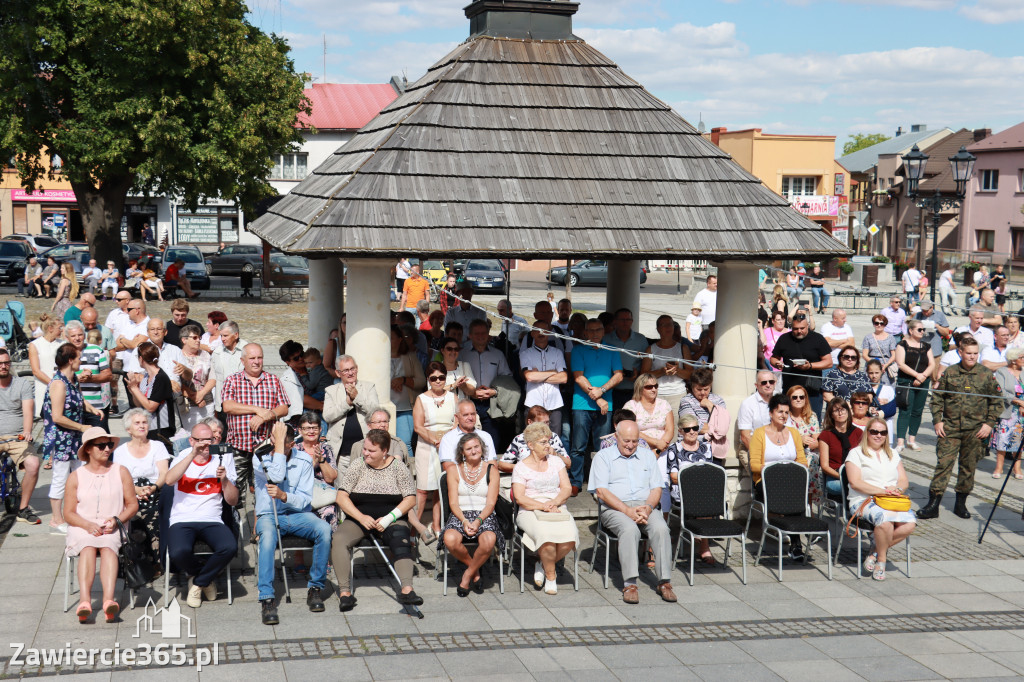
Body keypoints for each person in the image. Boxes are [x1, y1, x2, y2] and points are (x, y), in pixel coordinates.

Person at [332, 429, 422, 612]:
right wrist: (361, 517)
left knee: (400, 538)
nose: (365, 453)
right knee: (339, 539)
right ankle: (344, 592)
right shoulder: (358, 465)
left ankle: (407, 589)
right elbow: (341, 497)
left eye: (371, 451)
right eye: (365, 449)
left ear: (384, 451)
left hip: (391, 517)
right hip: (359, 518)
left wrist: (389, 518)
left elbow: (410, 499)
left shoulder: (398, 467)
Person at [253, 422, 331, 624]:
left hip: (297, 513)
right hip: (269, 514)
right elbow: (276, 475)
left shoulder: (304, 460)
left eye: (278, 440)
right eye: (272, 439)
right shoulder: (259, 455)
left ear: (290, 444)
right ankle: (267, 598)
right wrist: (277, 443)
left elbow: (305, 499)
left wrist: (285, 496)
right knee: (268, 538)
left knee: (324, 529)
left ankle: (315, 587)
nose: (272, 443)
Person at [589, 420, 674, 604]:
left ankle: (664, 582)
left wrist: (649, 508)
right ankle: (630, 583)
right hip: (615, 508)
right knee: (630, 530)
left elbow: (657, 488)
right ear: (616, 436)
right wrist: (627, 510)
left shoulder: (647, 456)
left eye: (635, 441)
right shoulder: (603, 457)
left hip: (645, 506)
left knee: (661, 528)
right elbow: (602, 492)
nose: (630, 445)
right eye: (626, 440)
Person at [918, 336, 1001, 520]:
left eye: (975, 354)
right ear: (961, 353)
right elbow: (937, 398)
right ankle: (933, 504)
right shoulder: (950, 372)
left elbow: (997, 401)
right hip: (950, 428)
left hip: (975, 430)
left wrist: (989, 424)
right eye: (968, 353)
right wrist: (937, 420)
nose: (972, 357)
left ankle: (960, 503)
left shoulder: (986, 374)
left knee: (968, 467)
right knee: (943, 464)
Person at [64, 426, 138, 622]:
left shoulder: (120, 471)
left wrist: (116, 520)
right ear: (88, 449)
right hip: (83, 525)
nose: (107, 449)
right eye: (101, 445)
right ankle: (85, 601)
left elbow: (132, 505)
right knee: (87, 546)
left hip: (112, 524)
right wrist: (87, 525)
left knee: (108, 546)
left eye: (109, 445)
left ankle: (108, 601)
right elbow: (68, 513)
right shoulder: (76, 476)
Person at [165, 422, 239, 607]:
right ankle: (205, 578)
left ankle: (198, 583)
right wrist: (192, 454)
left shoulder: (222, 457)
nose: (207, 446)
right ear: (191, 441)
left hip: (211, 518)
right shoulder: (183, 456)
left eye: (210, 441)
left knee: (229, 547)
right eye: (201, 442)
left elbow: (233, 500)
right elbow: (168, 480)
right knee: (178, 552)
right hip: (182, 518)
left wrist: (224, 481)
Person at [845, 417, 916, 581]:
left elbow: (904, 480)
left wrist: (896, 489)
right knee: (885, 522)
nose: (878, 435)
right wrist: (882, 491)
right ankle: (881, 562)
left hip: (890, 500)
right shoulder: (856, 453)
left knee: (910, 524)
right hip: (864, 500)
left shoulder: (892, 453)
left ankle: (875, 552)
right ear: (867, 433)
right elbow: (855, 483)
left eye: (883, 432)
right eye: (874, 432)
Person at [511, 422, 577, 595]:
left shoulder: (556, 462)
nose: (548, 445)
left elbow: (567, 488)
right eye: (543, 442)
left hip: (556, 505)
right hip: (530, 509)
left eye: (548, 441)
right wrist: (542, 506)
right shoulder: (520, 467)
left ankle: (542, 563)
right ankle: (551, 576)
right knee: (546, 537)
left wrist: (554, 503)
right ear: (531, 445)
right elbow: (519, 497)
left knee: (570, 537)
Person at [221, 343, 290, 503]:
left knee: (264, 493)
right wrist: (257, 409)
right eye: (252, 358)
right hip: (238, 446)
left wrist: (267, 415)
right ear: (243, 360)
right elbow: (227, 406)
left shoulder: (273, 380)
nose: (256, 361)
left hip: (265, 447)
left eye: (259, 357)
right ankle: (234, 526)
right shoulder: (232, 380)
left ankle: (258, 527)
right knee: (235, 491)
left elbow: (284, 407)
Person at [45, 343, 102, 533]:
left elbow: (78, 399)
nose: (80, 361)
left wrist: (91, 408)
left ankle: (79, 513)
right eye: (78, 358)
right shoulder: (58, 384)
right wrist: (82, 426)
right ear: (70, 360)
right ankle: (56, 518)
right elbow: (57, 416)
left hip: (74, 438)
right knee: (61, 478)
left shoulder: (72, 379)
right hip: (61, 438)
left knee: (80, 475)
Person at [442, 432, 503, 596]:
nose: (474, 451)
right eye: (469, 448)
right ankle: (475, 571)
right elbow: (453, 502)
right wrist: (463, 520)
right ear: (462, 452)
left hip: (484, 513)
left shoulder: (492, 470)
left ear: (482, 448)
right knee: (450, 539)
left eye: (476, 447)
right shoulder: (453, 470)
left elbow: (491, 503)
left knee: (489, 540)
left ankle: (467, 575)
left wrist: (477, 521)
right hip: (460, 513)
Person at [748, 394, 808, 560]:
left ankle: (796, 543)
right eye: (780, 412)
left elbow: (802, 461)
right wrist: (776, 470)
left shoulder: (794, 433)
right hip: (766, 483)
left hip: (790, 483)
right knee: (788, 494)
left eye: (787, 412)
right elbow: (753, 464)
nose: (783, 415)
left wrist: (795, 469)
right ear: (771, 413)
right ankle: (793, 541)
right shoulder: (760, 434)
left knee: (796, 493)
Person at [571, 318, 623, 495]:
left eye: (598, 330)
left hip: (605, 405)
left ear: (603, 332)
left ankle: (599, 483)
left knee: (602, 447)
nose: (594, 334)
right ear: (585, 332)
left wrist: (601, 391)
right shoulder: (578, 349)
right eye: (590, 330)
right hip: (581, 404)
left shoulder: (612, 350)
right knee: (578, 447)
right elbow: (578, 377)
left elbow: (619, 376)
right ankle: (576, 482)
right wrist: (598, 397)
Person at [113, 408, 170, 561]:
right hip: (130, 492)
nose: (142, 426)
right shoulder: (120, 451)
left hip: (156, 490)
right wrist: (136, 490)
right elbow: (119, 478)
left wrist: (153, 488)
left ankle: (157, 560)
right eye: (137, 423)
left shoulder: (158, 446)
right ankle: (137, 558)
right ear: (128, 429)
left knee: (156, 513)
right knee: (131, 514)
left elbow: (164, 473)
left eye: (144, 422)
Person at [662, 413, 715, 562]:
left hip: (703, 490)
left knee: (707, 498)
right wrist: (696, 482)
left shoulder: (706, 447)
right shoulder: (675, 448)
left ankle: (703, 542)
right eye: (687, 429)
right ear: (680, 431)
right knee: (704, 497)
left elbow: (711, 473)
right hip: (682, 491)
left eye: (695, 428)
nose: (692, 432)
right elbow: (674, 477)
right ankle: (704, 546)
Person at [0, 348, 42, 524]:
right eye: (0, 364)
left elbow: (27, 412)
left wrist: (27, 431)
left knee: (33, 464)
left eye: (7, 363)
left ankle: (23, 509)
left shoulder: (22, 384)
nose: (4, 366)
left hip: (17, 437)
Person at [769, 312, 833, 416]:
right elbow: (773, 358)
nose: (799, 331)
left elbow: (829, 362)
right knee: (788, 420)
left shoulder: (818, 339)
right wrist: (777, 363)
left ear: (808, 325)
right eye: (795, 329)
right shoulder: (784, 338)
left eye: (802, 328)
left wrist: (810, 366)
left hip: (812, 390)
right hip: (790, 389)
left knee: (812, 420)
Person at [460, 319, 512, 445]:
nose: (480, 336)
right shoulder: (462, 354)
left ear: (488, 334)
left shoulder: (498, 355)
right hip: (468, 402)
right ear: (470, 335)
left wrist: (494, 391)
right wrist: (471, 392)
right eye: (476, 333)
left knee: (491, 441)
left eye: (483, 333)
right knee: (468, 441)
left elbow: (507, 378)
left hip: (491, 404)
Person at [323, 354, 379, 468]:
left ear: (357, 368)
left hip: (366, 452)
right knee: (342, 486)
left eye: (352, 369)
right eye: (346, 370)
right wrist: (347, 403)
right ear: (338, 373)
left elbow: (376, 412)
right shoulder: (331, 391)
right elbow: (327, 416)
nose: (350, 373)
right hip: (341, 454)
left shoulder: (369, 387)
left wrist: (357, 398)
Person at [519, 321, 568, 435]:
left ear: (549, 333)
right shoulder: (526, 353)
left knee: (554, 441)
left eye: (544, 330)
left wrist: (539, 375)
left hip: (554, 404)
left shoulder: (557, 353)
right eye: (537, 330)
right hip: (533, 404)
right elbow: (529, 376)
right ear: (532, 334)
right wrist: (552, 371)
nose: (541, 333)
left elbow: (564, 378)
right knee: (532, 439)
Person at [295, 411, 339, 534]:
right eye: (307, 428)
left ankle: (329, 549)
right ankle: (299, 552)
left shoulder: (326, 448)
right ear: (300, 431)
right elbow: (293, 479)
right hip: (301, 498)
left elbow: (331, 478)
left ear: (320, 430)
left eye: (314, 428)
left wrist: (321, 460)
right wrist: (313, 464)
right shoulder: (294, 450)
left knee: (329, 514)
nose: (311, 431)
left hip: (323, 498)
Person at [640, 314, 693, 417]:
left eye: (670, 324)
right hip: (656, 394)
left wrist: (677, 370)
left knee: (678, 428)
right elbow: (644, 375)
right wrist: (662, 371)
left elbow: (691, 374)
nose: (668, 327)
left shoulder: (683, 348)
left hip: (678, 394)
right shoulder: (651, 349)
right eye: (664, 325)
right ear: (658, 329)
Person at [894, 320, 935, 453]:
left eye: (923, 329)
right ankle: (900, 441)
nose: (922, 332)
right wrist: (917, 375)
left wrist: (923, 376)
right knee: (905, 410)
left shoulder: (926, 346)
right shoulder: (902, 344)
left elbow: (932, 364)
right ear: (911, 331)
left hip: (923, 382)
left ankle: (912, 439)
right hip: (906, 381)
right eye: (919, 329)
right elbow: (900, 363)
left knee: (917, 411)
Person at [67, 320, 113, 430]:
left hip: (95, 406)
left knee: (99, 441)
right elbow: (58, 379)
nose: (77, 338)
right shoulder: (63, 352)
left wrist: (90, 378)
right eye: (73, 336)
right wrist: (77, 379)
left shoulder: (96, 350)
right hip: (72, 407)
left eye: (80, 335)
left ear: (84, 335)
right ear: (67, 337)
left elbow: (108, 376)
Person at [603, 308, 651, 411]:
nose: (625, 322)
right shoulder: (606, 339)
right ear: (615, 322)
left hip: (634, 390)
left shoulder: (641, 339)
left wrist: (638, 373)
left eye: (628, 320)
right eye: (622, 320)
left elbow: (647, 363)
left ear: (632, 321)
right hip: (611, 390)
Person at [676, 366, 729, 459]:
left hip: (716, 450)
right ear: (692, 387)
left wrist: (710, 406)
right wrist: (717, 429)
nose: (703, 393)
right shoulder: (686, 401)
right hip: (692, 448)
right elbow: (692, 426)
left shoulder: (718, 400)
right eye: (699, 389)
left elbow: (724, 425)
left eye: (706, 389)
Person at [390, 325, 425, 459]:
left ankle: (408, 475)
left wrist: (403, 380)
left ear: (400, 340)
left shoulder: (410, 357)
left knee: (405, 444)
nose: (388, 340)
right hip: (383, 409)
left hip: (405, 408)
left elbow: (421, 381)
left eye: (392, 338)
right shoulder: (379, 357)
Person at [990, 347, 1024, 480]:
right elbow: (1001, 391)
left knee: (1019, 440)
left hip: (1021, 413)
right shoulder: (1002, 371)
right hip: (1008, 410)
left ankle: (1017, 468)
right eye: (1022, 357)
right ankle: (999, 467)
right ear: (1014, 360)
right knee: (1002, 440)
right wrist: (1019, 402)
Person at [818, 397, 862, 498]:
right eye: (836, 410)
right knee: (851, 487)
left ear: (848, 411)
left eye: (843, 409)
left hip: (855, 475)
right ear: (831, 415)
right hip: (835, 476)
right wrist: (844, 477)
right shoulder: (826, 435)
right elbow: (824, 466)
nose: (840, 413)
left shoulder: (858, 433)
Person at [179, 324, 215, 430]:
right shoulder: (178, 356)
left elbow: (213, 378)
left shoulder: (206, 355)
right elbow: (176, 382)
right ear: (184, 340)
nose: (198, 340)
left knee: (209, 433)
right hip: (187, 405)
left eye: (199, 337)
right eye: (194, 338)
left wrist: (201, 394)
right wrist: (193, 397)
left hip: (206, 402)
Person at [29, 316, 63, 420]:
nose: (61, 330)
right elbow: (36, 370)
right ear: (50, 328)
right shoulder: (35, 345)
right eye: (59, 328)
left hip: (61, 387)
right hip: (44, 386)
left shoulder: (63, 344)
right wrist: (52, 384)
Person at [210, 320, 248, 415]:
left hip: (245, 404)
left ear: (236, 335)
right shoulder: (217, 353)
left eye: (225, 336)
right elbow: (213, 378)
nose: (222, 339)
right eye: (221, 336)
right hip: (224, 406)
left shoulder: (248, 350)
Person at [737, 370, 776, 459]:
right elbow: (745, 436)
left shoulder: (780, 401)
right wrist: (762, 456)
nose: (768, 385)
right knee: (765, 471)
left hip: (776, 446)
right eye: (764, 382)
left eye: (771, 382)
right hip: (752, 447)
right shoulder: (748, 404)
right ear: (756, 385)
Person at [866, 359, 897, 443]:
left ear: (882, 372)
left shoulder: (889, 389)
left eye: (876, 373)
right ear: (867, 373)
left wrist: (883, 408)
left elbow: (892, 410)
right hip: (869, 427)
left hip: (885, 427)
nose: (874, 376)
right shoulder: (864, 389)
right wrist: (869, 408)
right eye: (871, 373)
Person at [862, 313, 899, 384]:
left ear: (885, 325)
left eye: (882, 323)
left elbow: (894, 355)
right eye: (876, 323)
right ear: (873, 324)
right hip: (871, 364)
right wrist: (875, 364)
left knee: (885, 387)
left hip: (885, 365)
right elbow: (864, 355)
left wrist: (885, 365)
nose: (879, 325)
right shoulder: (868, 337)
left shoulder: (891, 338)